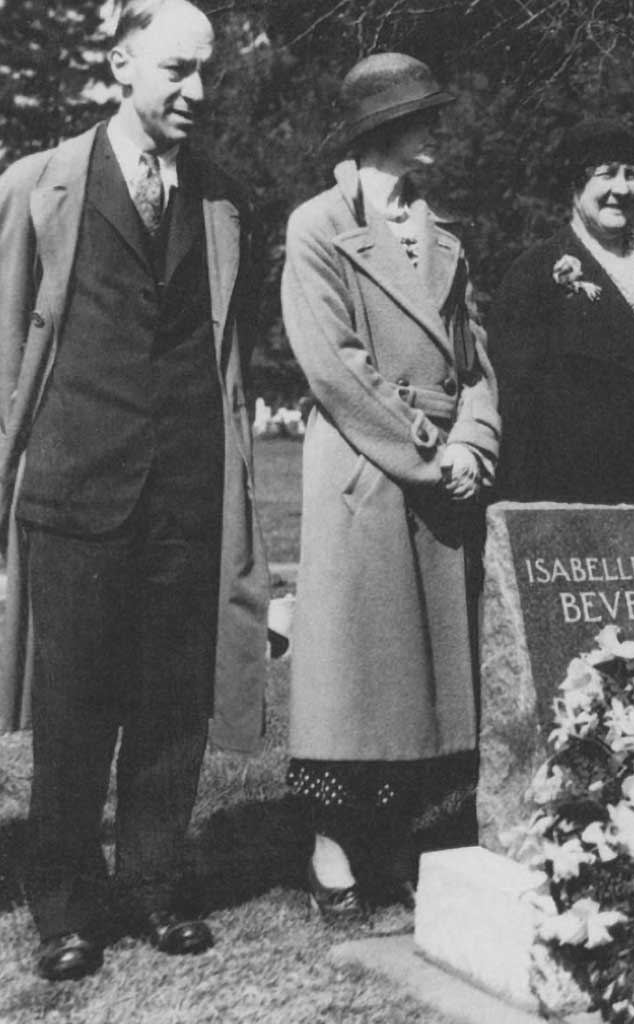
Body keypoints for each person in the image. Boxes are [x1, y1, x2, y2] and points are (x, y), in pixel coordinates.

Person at [0, 0, 269, 981]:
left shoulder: (226, 199)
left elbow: (226, 349)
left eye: (207, 74)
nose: (196, 93)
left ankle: (154, 883)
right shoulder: (41, 184)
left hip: (187, 491)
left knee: (172, 701)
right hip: (76, 491)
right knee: (73, 707)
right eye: (174, 72)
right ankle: (64, 904)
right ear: (121, 67)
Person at [280, 53, 500, 926]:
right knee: (357, 680)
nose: (436, 128)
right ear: (382, 127)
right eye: (422, 115)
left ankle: (396, 852)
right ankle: (333, 858)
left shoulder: (446, 234)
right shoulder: (317, 227)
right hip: (367, 477)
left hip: (442, 480)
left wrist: (475, 439)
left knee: (426, 685)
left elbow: (478, 361)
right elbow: (334, 364)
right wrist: (428, 447)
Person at [489, 119, 634, 503]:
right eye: (607, 174)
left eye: (632, 175)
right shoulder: (535, 273)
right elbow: (517, 411)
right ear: (576, 183)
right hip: (570, 500)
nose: (622, 189)